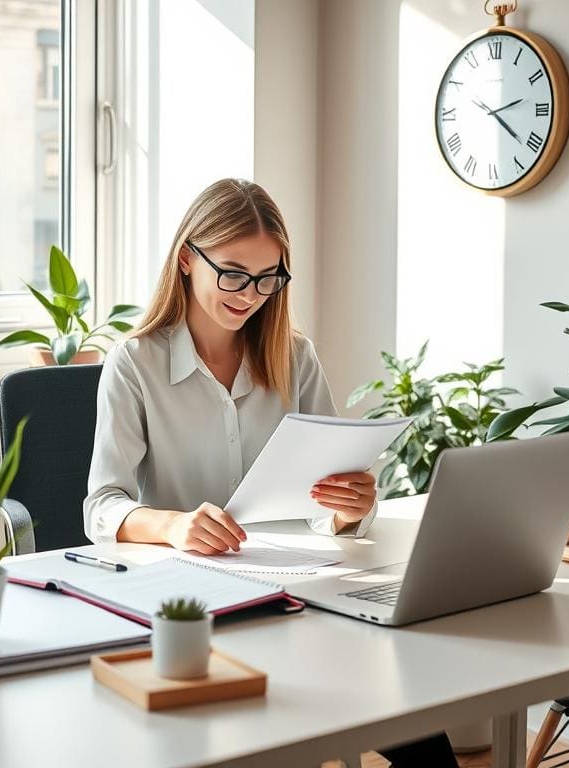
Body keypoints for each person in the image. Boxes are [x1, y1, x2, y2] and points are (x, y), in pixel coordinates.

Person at [83, 178, 459, 768]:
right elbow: (102, 506)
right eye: (232, 273)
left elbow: (332, 494)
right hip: (193, 604)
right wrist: (175, 525)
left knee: (412, 713)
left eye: (267, 277)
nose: (249, 294)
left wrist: (348, 506)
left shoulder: (295, 356)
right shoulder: (136, 362)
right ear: (187, 259)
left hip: (298, 592)